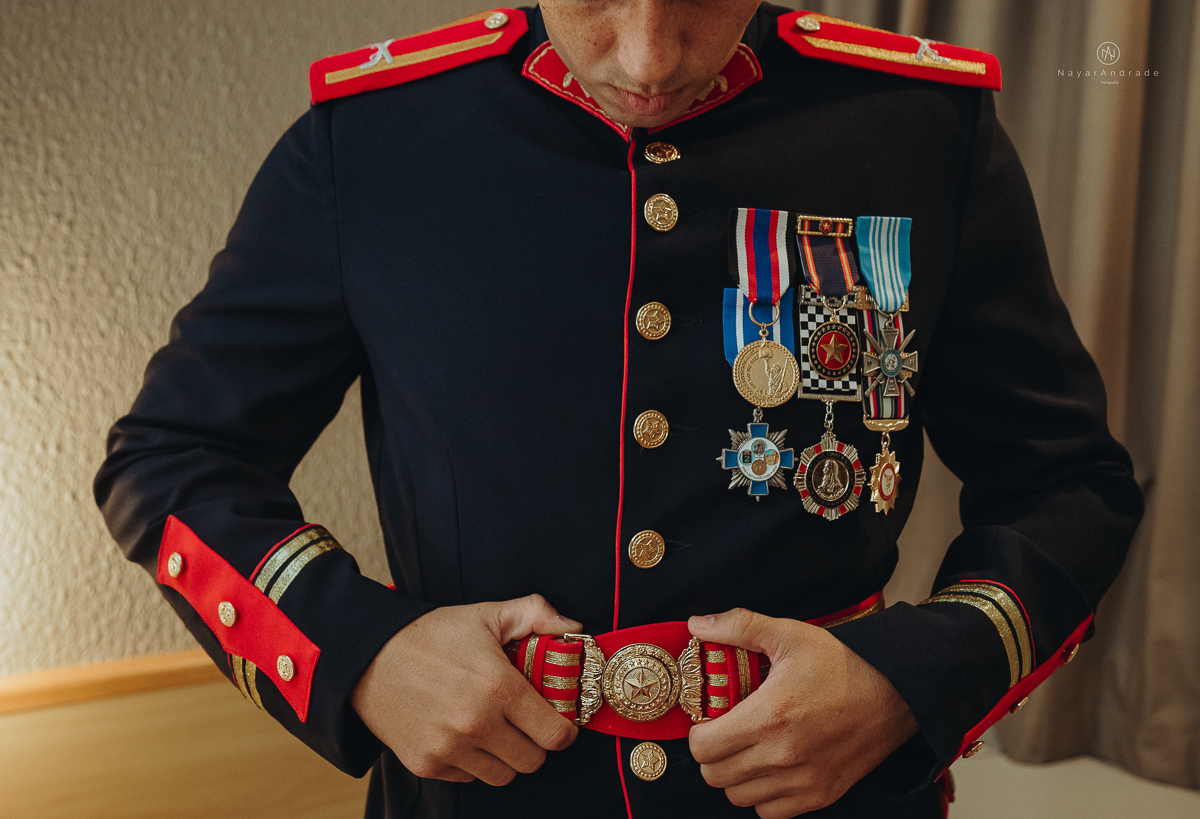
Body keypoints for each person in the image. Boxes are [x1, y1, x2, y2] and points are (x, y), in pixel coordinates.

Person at [94, 3, 1143, 818]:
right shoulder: (369, 140)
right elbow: (174, 456)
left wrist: (906, 680)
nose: (649, 57)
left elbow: (1066, 484)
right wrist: (362, 650)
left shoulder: (922, 130)